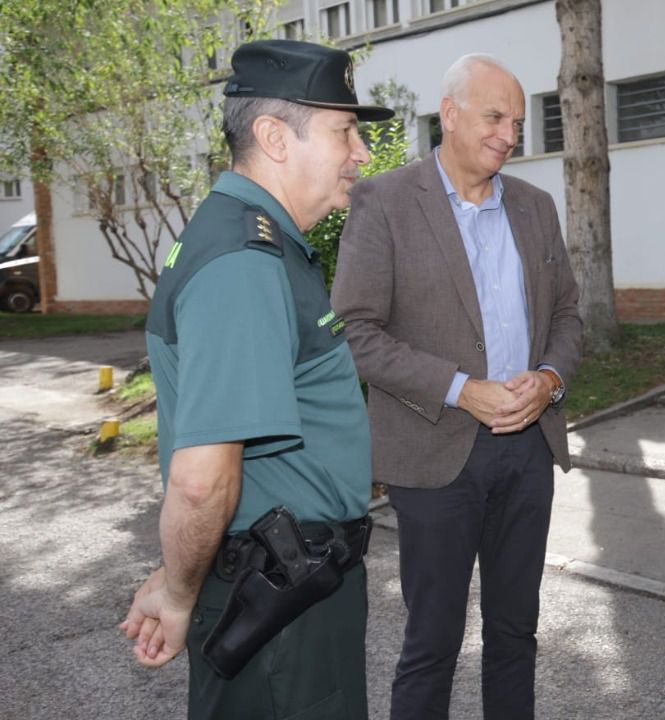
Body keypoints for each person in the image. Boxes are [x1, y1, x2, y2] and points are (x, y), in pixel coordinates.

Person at [118, 40, 391, 720]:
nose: (362, 152)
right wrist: (180, 595)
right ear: (274, 137)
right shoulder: (246, 262)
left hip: (285, 586)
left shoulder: (257, 243)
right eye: (344, 130)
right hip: (280, 608)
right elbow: (204, 478)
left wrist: (176, 575)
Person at [330, 53, 582, 719]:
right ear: (449, 114)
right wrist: (460, 387)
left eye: (519, 121)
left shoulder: (535, 206)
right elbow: (355, 330)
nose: (509, 133)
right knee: (433, 642)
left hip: (528, 453)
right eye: (495, 116)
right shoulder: (384, 202)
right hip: (435, 453)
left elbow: (565, 317)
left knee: (514, 634)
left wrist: (550, 379)